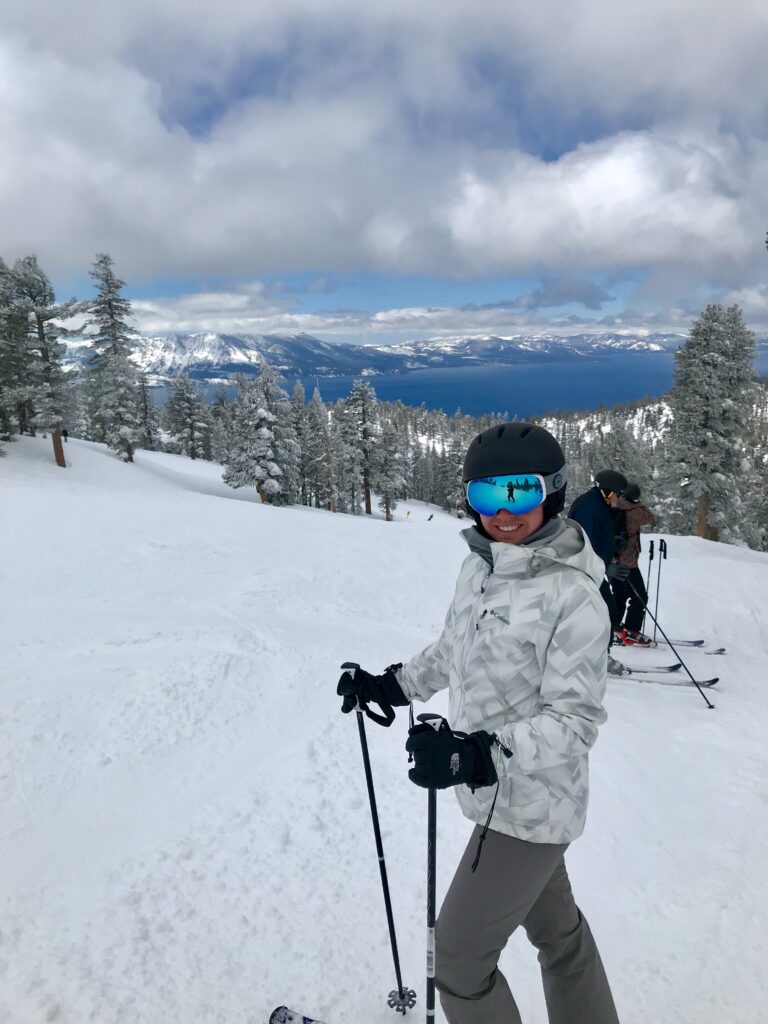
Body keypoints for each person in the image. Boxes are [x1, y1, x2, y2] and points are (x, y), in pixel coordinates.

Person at [337, 423, 620, 1024]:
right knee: (560, 936)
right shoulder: (481, 567)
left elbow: (574, 722)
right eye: (489, 496)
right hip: (501, 797)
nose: (505, 513)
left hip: (529, 808)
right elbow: (452, 650)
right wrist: (392, 684)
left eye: (521, 493)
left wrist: (475, 754)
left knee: (460, 965)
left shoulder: (572, 596)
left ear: (553, 492)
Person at [568, 470, 630, 676]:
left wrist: (614, 546)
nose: (621, 500)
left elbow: (600, 537)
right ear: (608, 492)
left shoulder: (599, 505)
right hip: (581, 571)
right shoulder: (590, 508)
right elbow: (585, 546)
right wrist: (606, 566)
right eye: (619, 495)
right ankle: (598, 657)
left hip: (589, 571)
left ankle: (597, 654)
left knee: (605, 611)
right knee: (604, 612)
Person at [610, 483, 656, 645]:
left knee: (618, 595)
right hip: (627, 561)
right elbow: (650, 517)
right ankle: (631, 631)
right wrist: (637, 503)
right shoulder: (635, 511)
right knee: (640, 597)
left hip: (612, 560)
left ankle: (614, 628)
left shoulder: (613, 505)